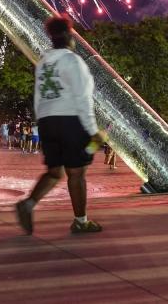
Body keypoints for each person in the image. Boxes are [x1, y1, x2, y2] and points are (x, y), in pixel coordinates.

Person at [16, 15, 106, 234]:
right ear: (69, 37)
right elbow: (83, 100)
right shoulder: (73, 61)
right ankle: (81, 221)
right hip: (70, 121)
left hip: (47, 122)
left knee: (55, 171)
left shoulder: (44, 62)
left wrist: (43, 122)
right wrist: (94, 132)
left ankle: (28, 204)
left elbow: (37, 97)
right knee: (77, 173)